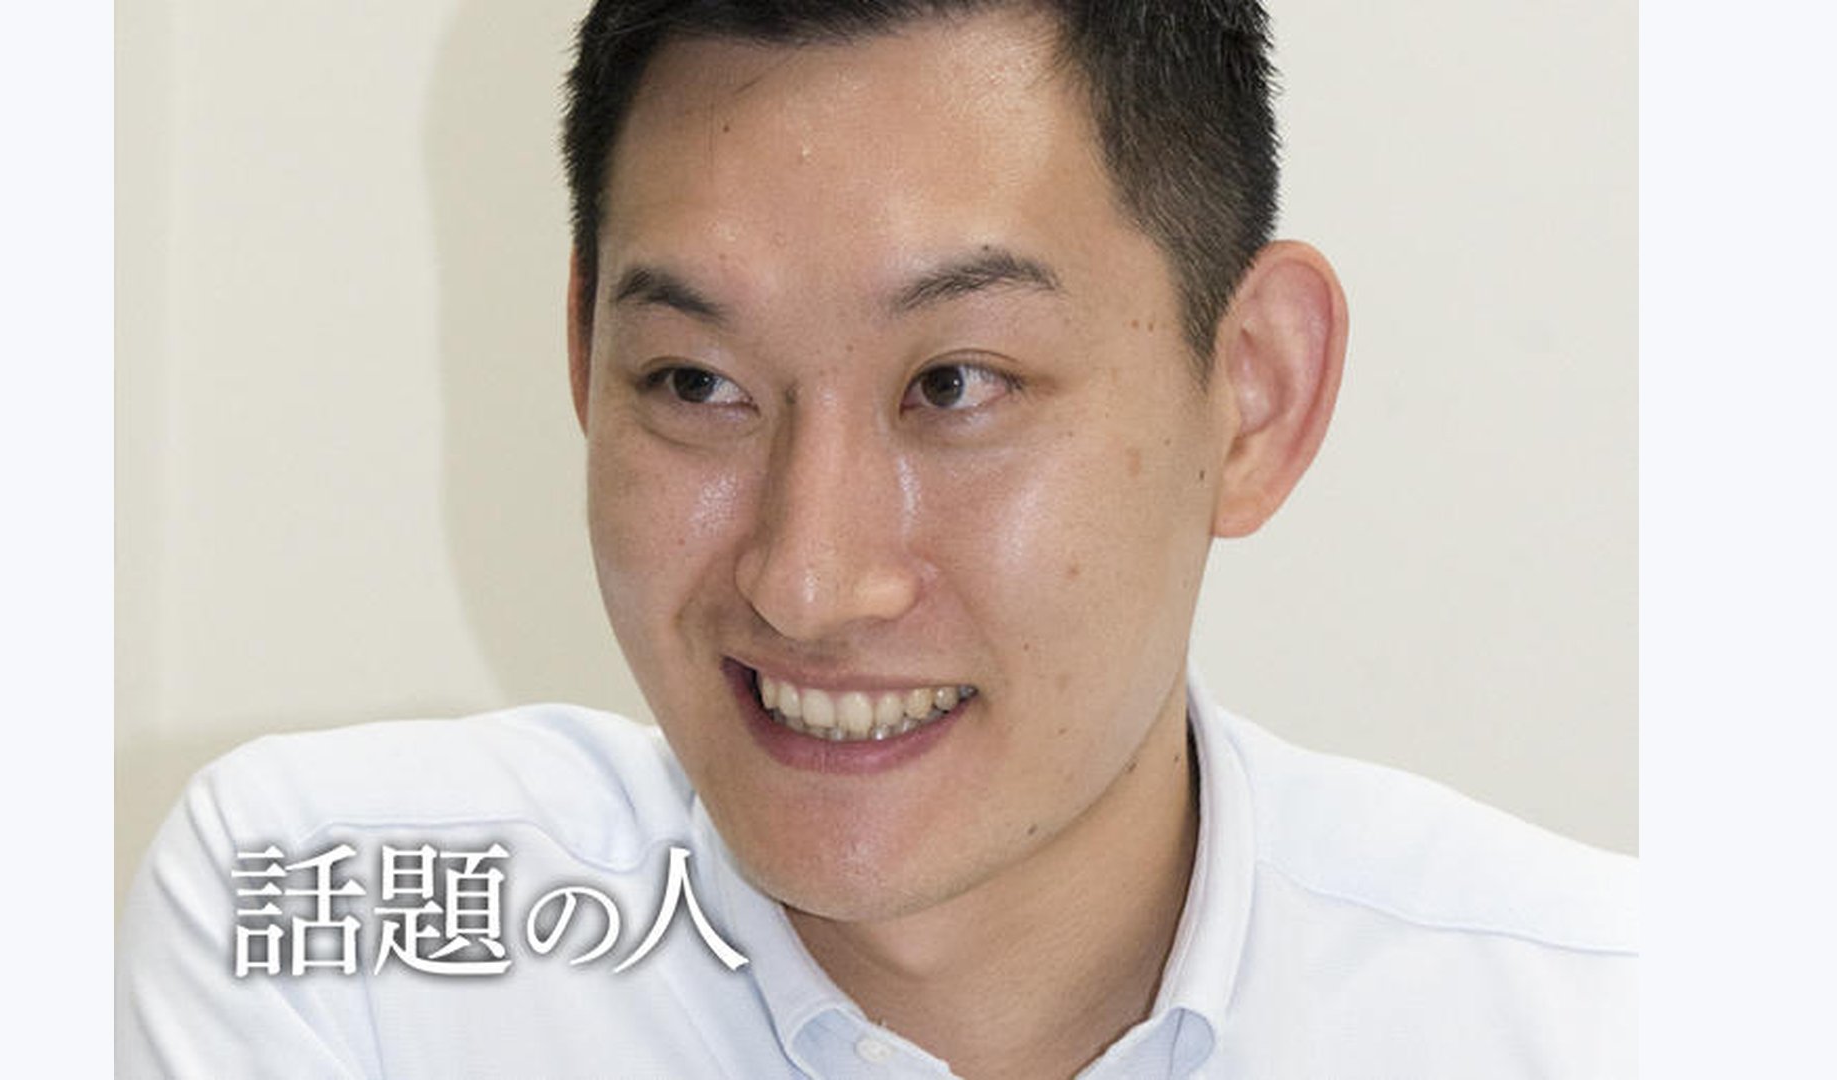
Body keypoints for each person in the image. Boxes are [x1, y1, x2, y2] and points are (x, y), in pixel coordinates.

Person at [118, 1, 1636, 1076]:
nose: (809, 579)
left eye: (955, 385)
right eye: (696, 384)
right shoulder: (346, 945)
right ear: (583, 356)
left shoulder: (1619, 1022)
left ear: (1254, 395)